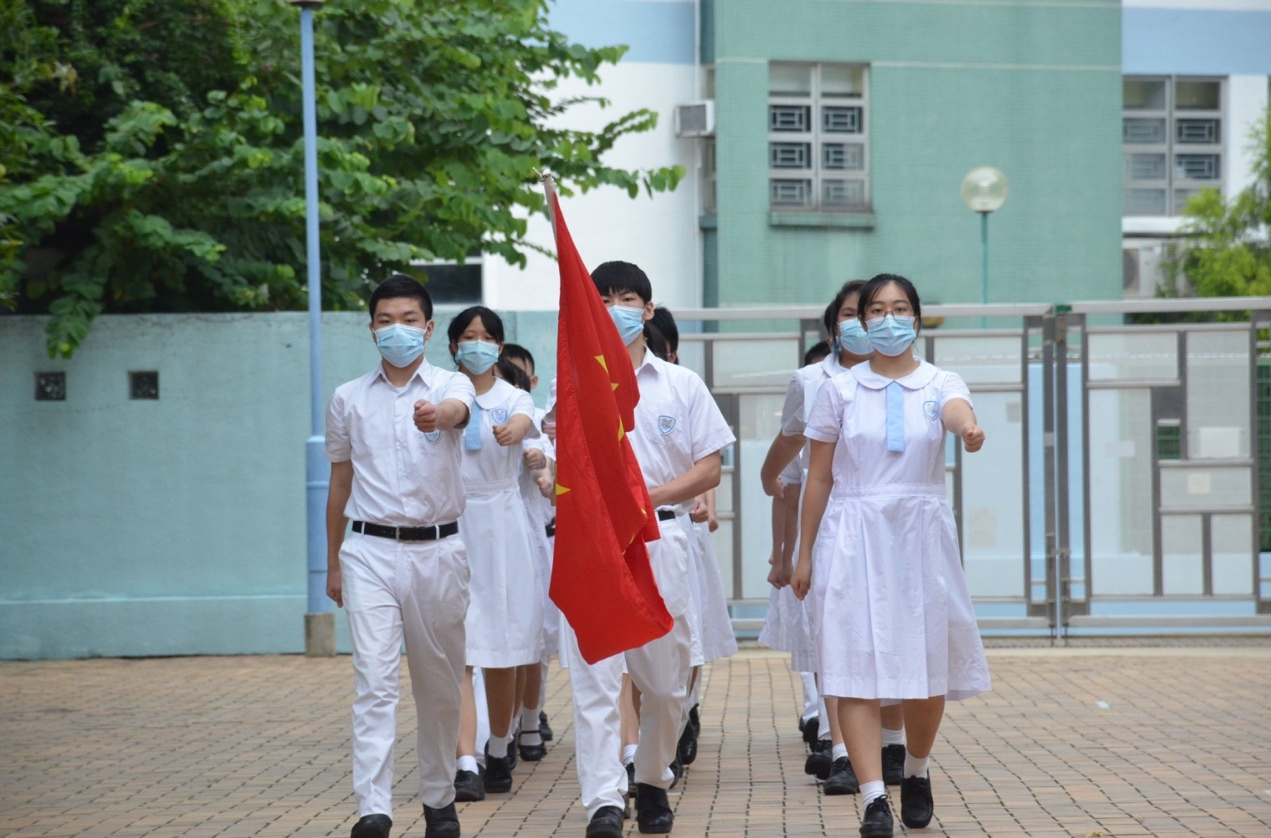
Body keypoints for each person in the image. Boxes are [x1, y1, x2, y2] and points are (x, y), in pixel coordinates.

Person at [793, 273, 991, 838]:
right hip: (852, 532)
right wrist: (804, 553)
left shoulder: (939, 381)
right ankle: (874, 797)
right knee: (853, 667)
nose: (887, 319)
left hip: (920, 536)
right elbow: (819, 477)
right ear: (860, 321)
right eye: (875, 310)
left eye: (899, 308)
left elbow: (954, 412)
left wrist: (969, 429)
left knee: (925, 672)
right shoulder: (839, 388)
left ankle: (919, 771)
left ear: (917, 319)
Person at [565, 260, 735, 838]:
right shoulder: (574, 383)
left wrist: (652, 494)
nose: (616, 309)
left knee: (666, 684)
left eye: (627, 298)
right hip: (596, 545)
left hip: (662, 540)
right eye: (603, 299)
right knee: (595, 679)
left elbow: (710, 465)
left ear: (649, 309)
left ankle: (652, 777)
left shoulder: (681, 385)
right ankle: (603, 800)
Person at [325, 273, 474, 838]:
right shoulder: (348, 398)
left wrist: (441, 416)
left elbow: (460, 412)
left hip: (440, 551)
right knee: (375, 680)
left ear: (429, 328)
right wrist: (334, 561)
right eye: (385, 321)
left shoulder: (451, 384)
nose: (397, 330)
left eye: (409, 320)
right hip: (368, 550)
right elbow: (339, 483)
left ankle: (439, 799)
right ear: (371, 330)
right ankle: (374, 810)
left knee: (437, 685)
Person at [760, 282, 909, 795]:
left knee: (890, 636)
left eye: (887, 311)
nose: (868, 323)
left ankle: (892, 743)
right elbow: (794, 451)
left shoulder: (915, 381)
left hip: (891, 528)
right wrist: (786, 544)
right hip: (833, 523)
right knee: (839, 639)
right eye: (853, 314)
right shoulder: (812, 380)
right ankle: (842, 748)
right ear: (837, 328)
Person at [446, 306, 543, 800]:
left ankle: (500, 745)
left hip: (503, 527)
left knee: (502, 650)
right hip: (454, 525)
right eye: (467, 336)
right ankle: (467, 760)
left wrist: (520, 431)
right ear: (452, 347)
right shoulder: (442, 394)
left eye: (486, 337)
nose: (476, 344)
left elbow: (529, 423)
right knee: (459, 649)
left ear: (499, 348)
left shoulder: (513, 397)